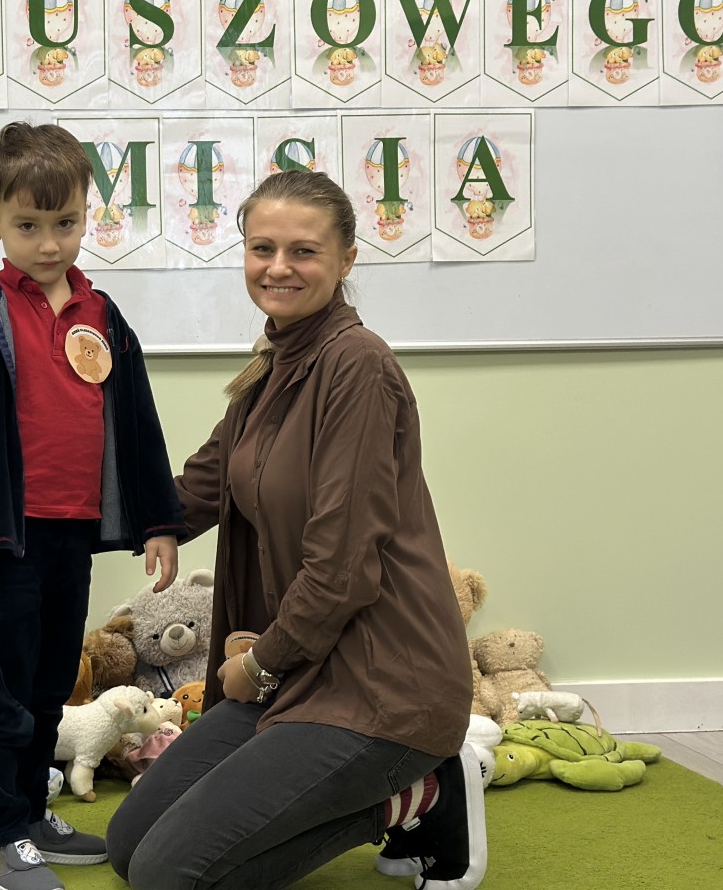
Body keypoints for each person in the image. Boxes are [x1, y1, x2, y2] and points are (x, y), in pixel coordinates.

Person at [106, 170, 485, 890]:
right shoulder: (275, 365)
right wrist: (46, 531)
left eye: (303, 251)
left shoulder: (358, 366)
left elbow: (341, 569)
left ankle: (420, 791)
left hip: (379, 687)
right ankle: (406, 799)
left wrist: (258, 666)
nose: (278, 267)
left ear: (346, 260)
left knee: (167, 875)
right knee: (129, 844)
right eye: (262, 248)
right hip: (303, 669)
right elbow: (196, 491)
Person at [0, 121, 186, 890]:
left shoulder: (103, 317)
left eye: (65, 223)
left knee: (50, 686)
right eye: (28, 227)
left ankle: (32, 814)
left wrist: (159, 522)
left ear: (85, 217)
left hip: (73, 534)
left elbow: (137, 424)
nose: (49, 243)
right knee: (3, 692)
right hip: (4, 539)